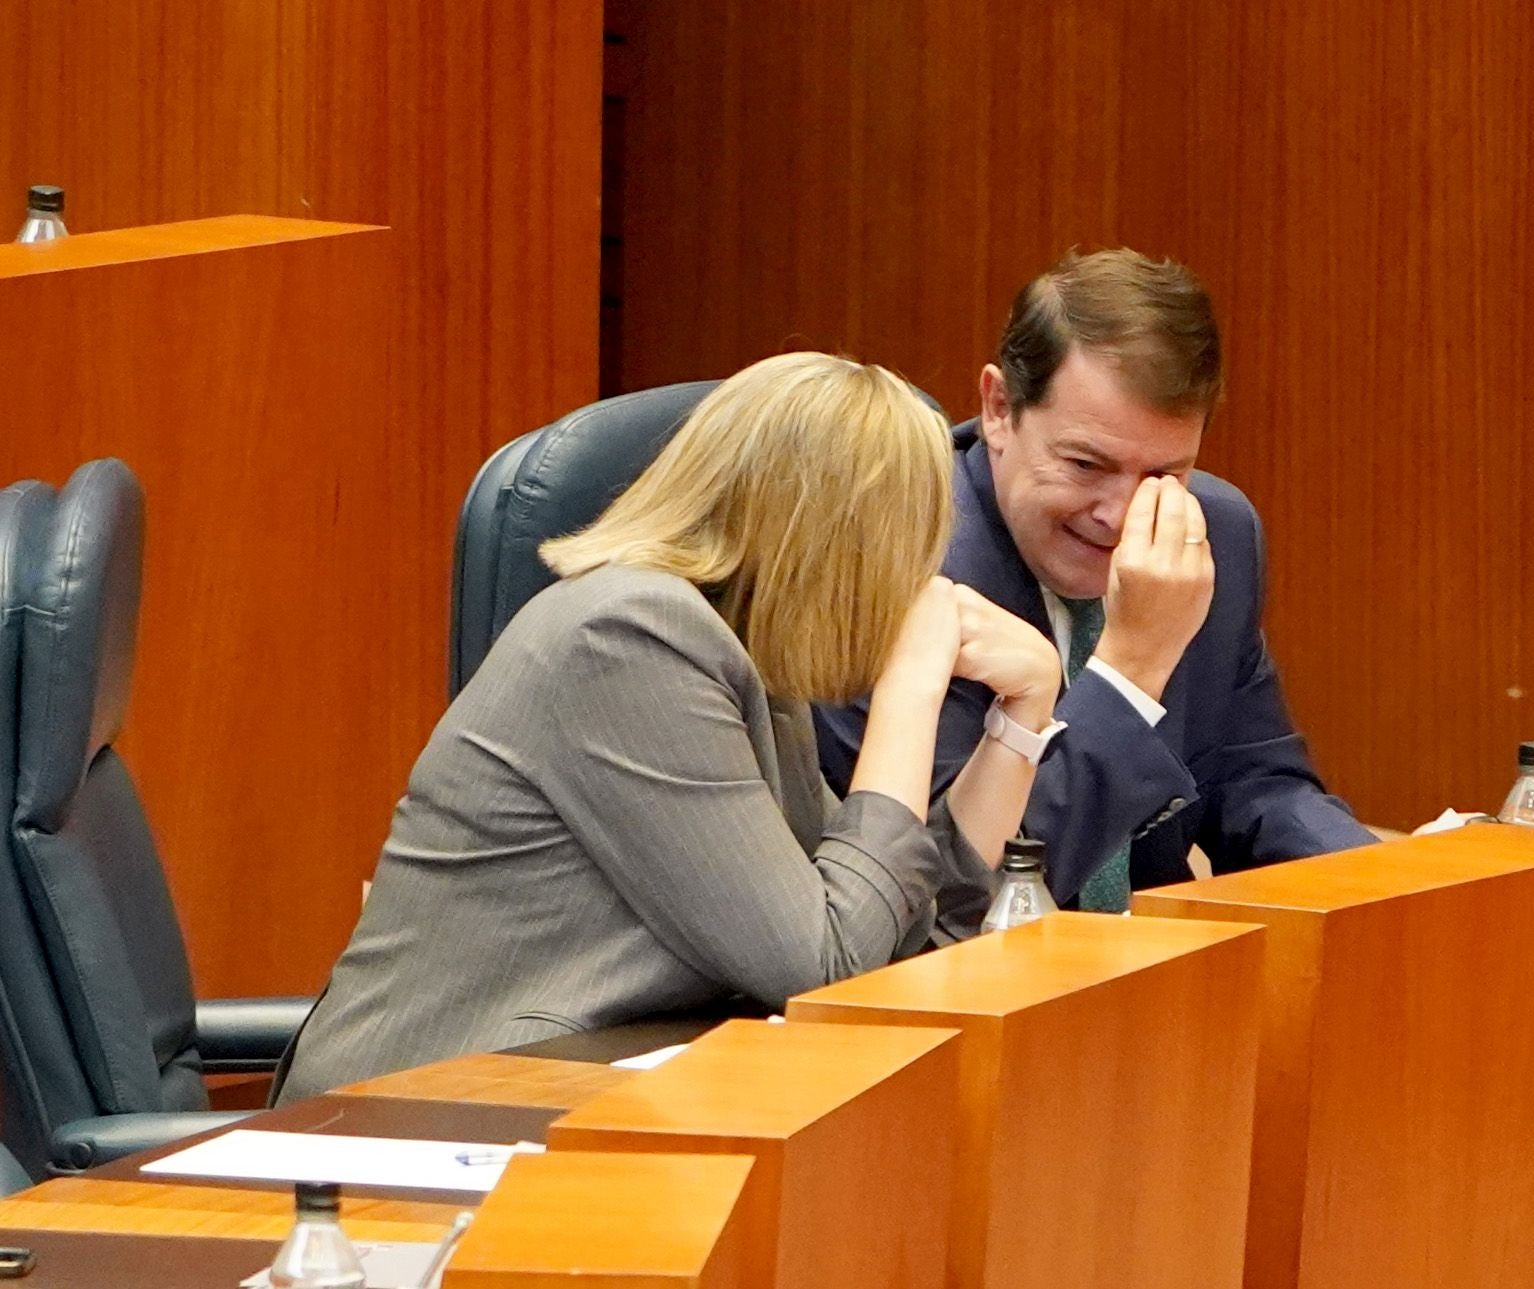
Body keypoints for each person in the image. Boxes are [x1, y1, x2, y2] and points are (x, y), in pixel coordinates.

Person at [278, 353, 1060, 1100]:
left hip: (575, 1108)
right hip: (416, 1121)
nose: (922, 586)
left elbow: (896, 940)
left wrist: (1019, 725)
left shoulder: (748, 658)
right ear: (839, 549)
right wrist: (913, 688)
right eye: (911, 554)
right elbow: (827, 967)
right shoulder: (627, 638)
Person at [817, 250, 1375, 923]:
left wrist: (1388, 881)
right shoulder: (887, 560)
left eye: (1163, 475)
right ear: (999, 409)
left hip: (1150, 965)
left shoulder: (1212, 535)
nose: (1119, 515)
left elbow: (1256, 787)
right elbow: (958, 896)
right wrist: (1132, 670)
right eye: (1086, 464)